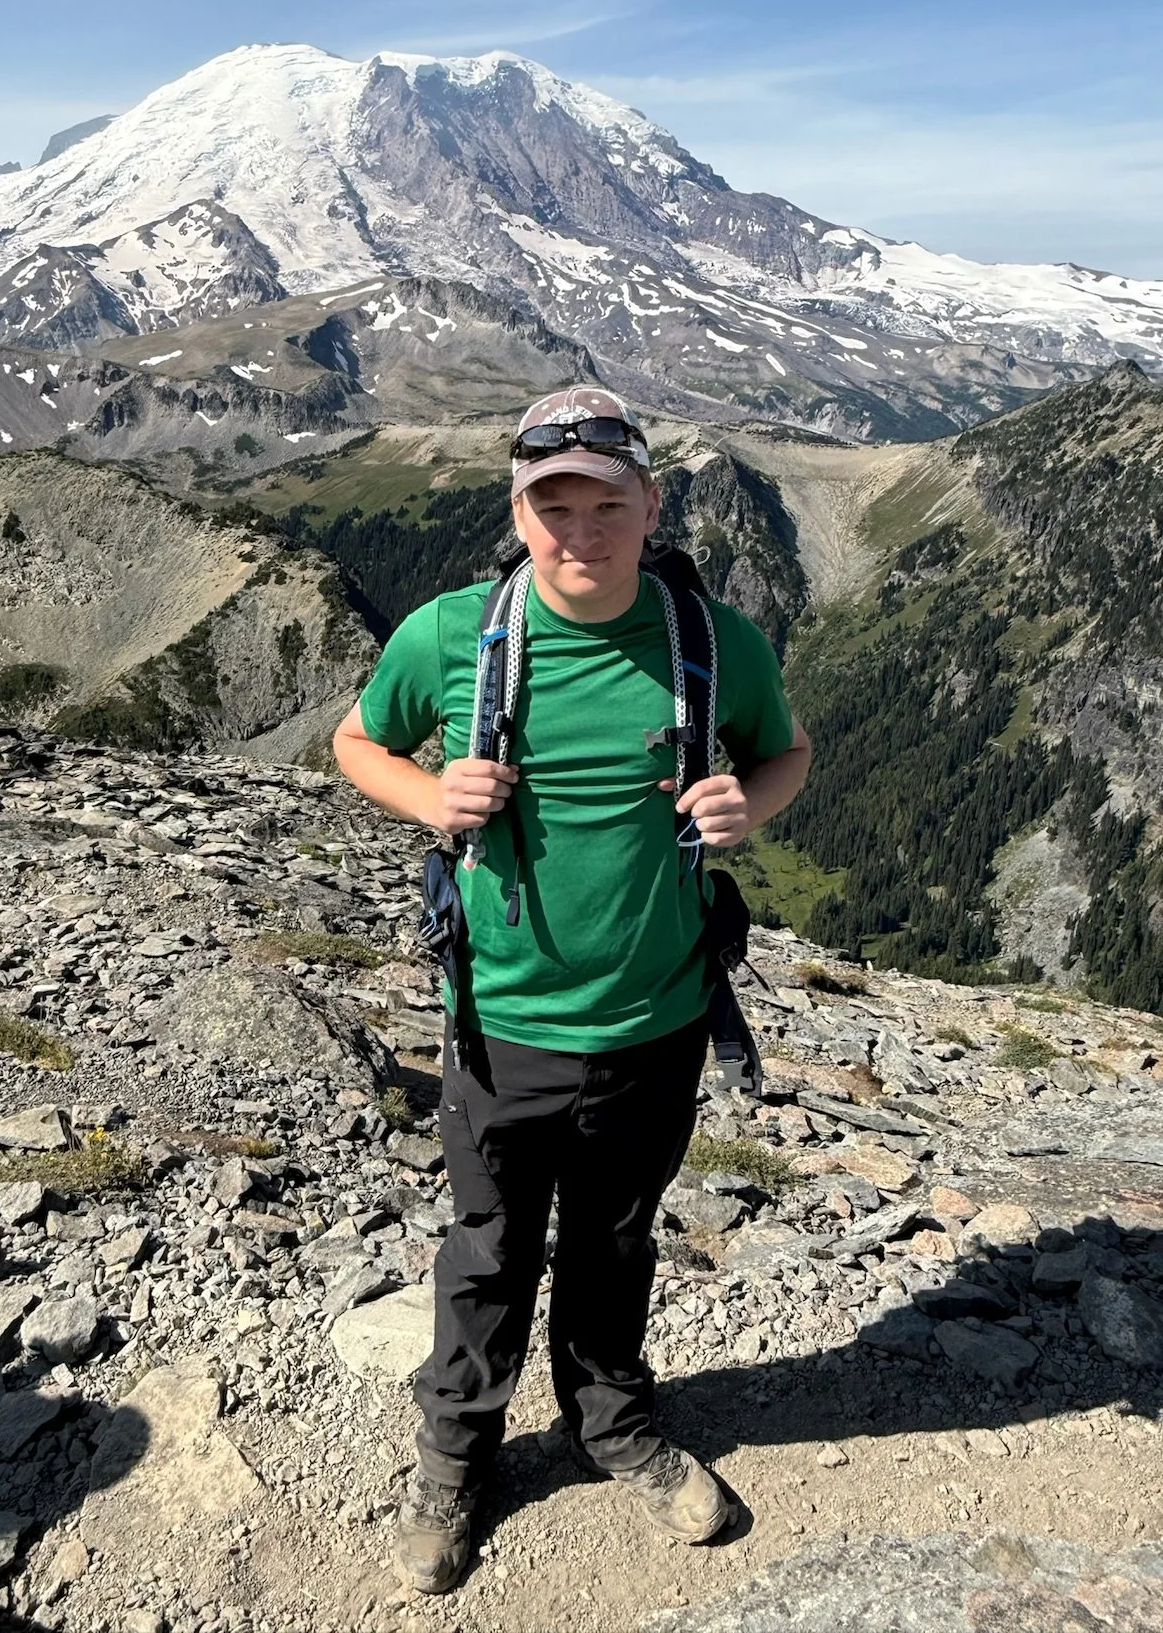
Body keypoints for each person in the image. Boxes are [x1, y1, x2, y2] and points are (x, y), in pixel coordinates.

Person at [332, 385, 811, 1595]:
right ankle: (456, 1458)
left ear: (653, 504)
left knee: (613, 1238)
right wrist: (427, 796)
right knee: (489, 1249)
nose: (581, 531)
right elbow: (356, 741)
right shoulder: (451, 636)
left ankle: (611, 1423)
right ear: (519, 508)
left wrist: (750, 805)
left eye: (608, 503)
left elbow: (784, 747)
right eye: (555, 505)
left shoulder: (714, 639)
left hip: (659, 1020)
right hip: (502, 1024)